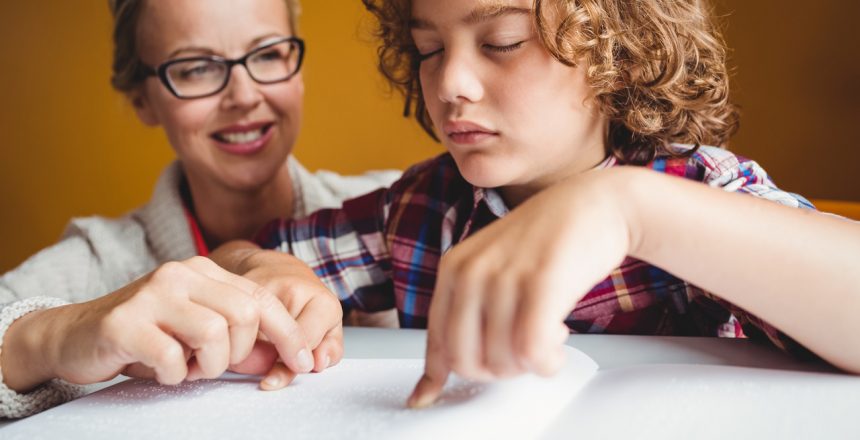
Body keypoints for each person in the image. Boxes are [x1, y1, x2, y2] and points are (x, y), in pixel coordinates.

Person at [232, 0, 860, 409]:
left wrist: (629, 208)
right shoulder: (423, 207)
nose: (450, 84)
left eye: (502, 41)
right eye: (429, 51)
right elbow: (244, 254)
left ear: (616, 50)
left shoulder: (696, 188)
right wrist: (268, 272)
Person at [0, 0, 399, 419]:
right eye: (195, 68)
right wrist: (52, 338)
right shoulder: (91, 265)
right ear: (142, 99)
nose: (244, 96)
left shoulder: (405, 216)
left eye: (267, 54)